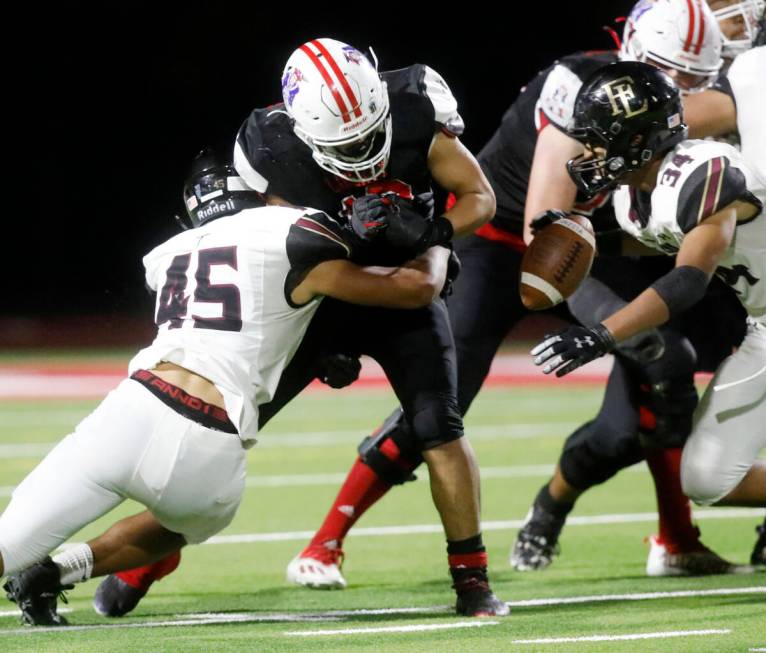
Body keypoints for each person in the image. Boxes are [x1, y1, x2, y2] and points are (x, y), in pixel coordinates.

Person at [282, 0, 745, 586]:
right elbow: (544, 242)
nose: (683, 91)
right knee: (440, 398)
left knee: (664, 373)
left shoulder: (678, 108)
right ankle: (326, 542)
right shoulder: (580, 89)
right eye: (674, 72)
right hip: (506, 242)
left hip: (594, 245)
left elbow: (642, 229)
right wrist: (600, 326)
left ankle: (675, 538)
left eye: (695, 78)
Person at [94, 37, 508, 618]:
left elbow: (480, 197)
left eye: (369, 132)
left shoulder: (414, 104)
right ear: (306, 130)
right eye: (346, 142)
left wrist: (434, 233)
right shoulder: (272, 146)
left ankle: (472, 580)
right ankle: (151, 556)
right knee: (226, 430)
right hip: (321, 299)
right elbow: (277, 255)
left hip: (405, 286)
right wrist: (319, 340)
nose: (363, 149)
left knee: (440, 424)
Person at [0, 151, 451, 626]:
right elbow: (406, 286)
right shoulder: (290, 230)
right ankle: (58, 571)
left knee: (8, 543)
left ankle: (36, 564)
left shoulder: (167, 253)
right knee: (178, 527)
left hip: (131, 412)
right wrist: (435, 244)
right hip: (210, 452)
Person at [531, 60, 765, 508]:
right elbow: (661, 237)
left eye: (597, 142)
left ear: (636, 140)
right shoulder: (636, 196)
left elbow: (689, 279)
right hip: (764, 327)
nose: (587, 154)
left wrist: (602, 335)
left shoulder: (705, 169)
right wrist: (584, 240)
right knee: (705, 477)